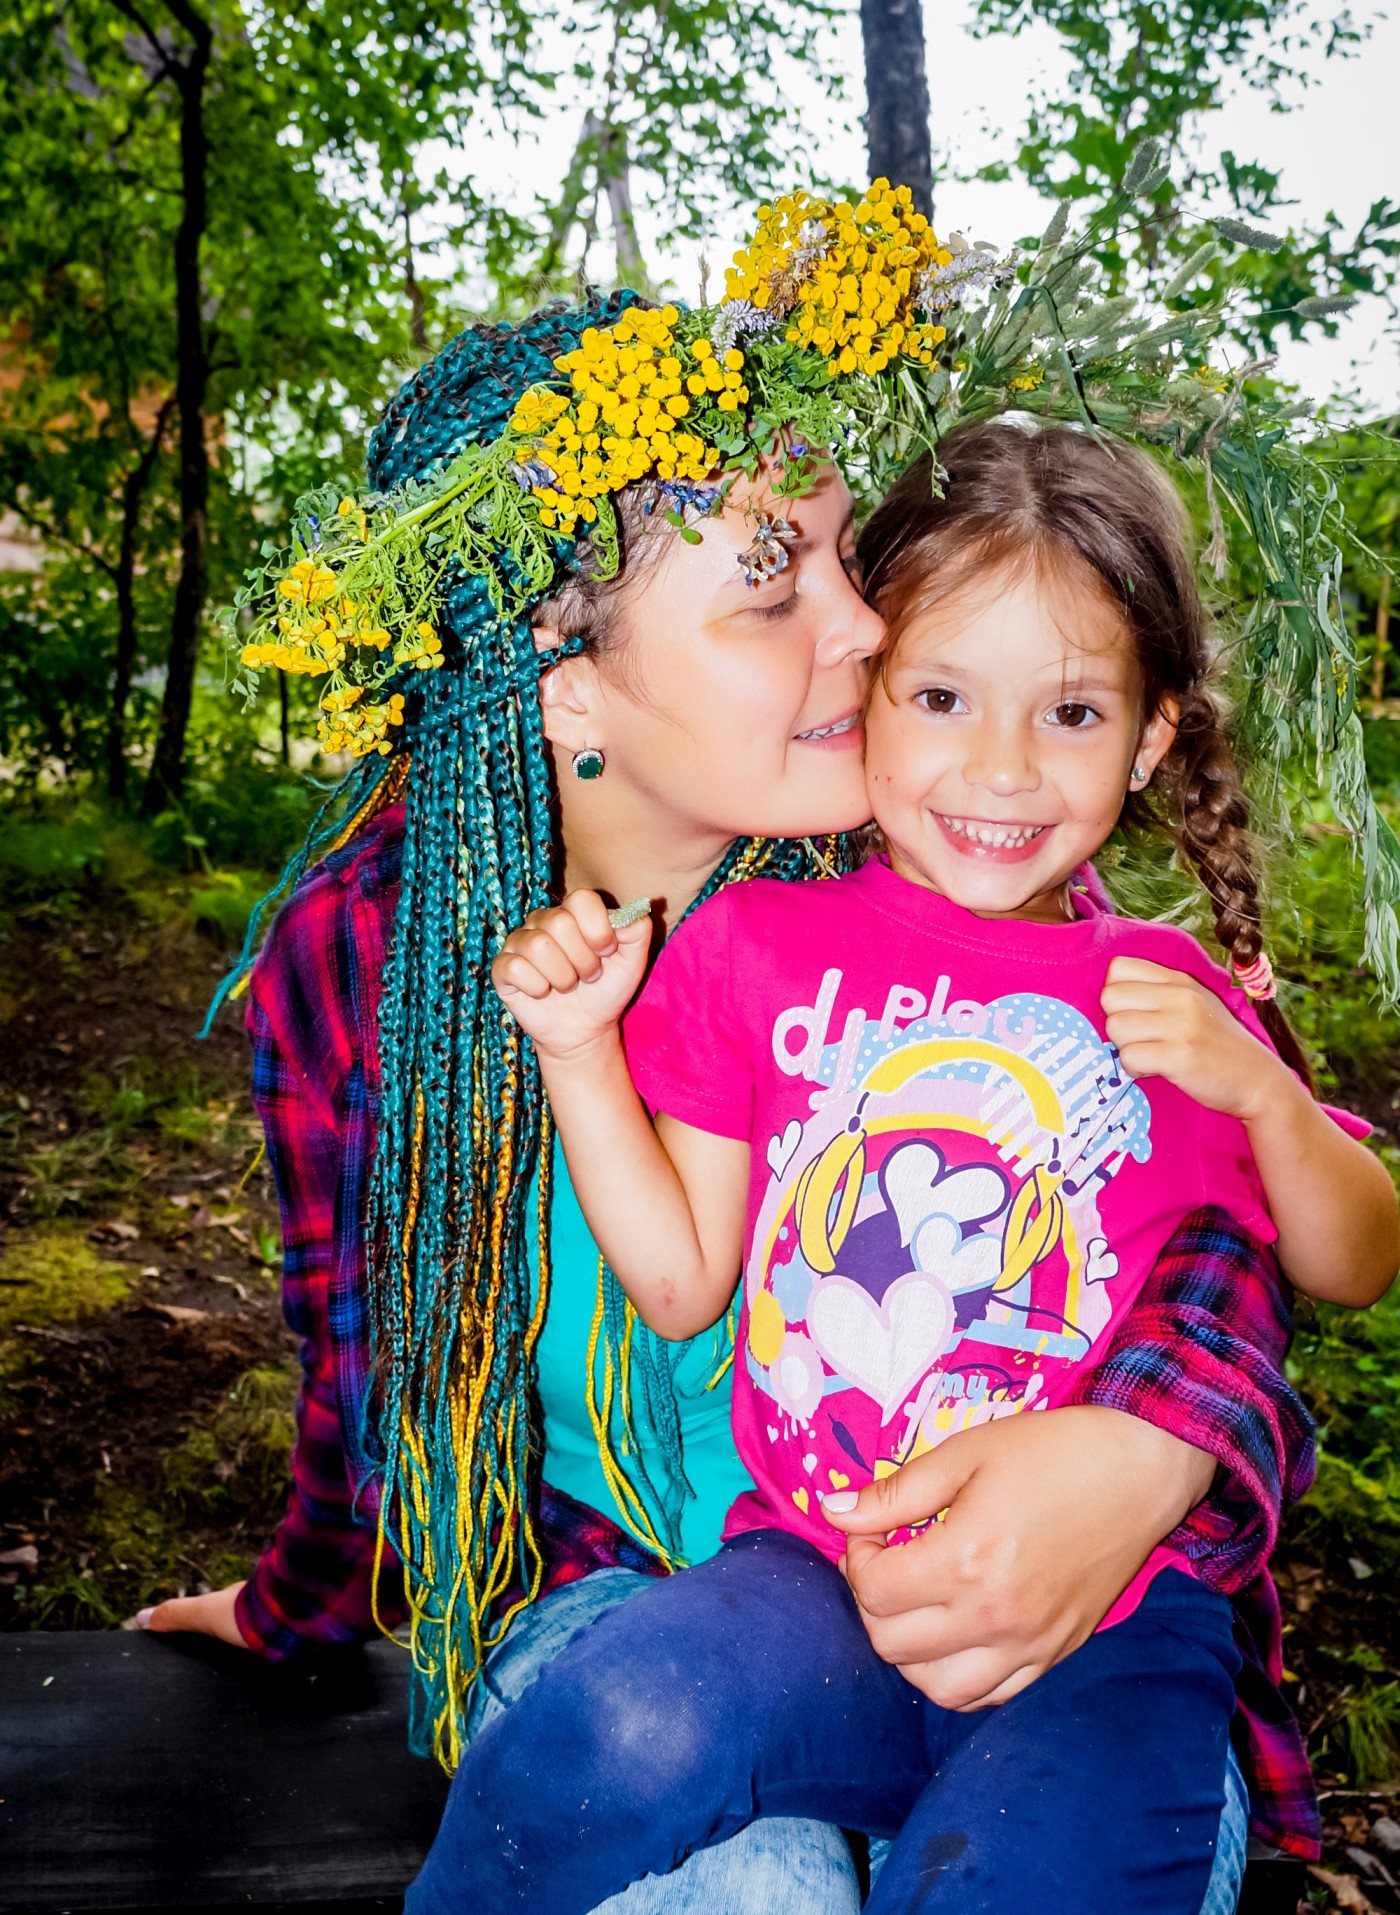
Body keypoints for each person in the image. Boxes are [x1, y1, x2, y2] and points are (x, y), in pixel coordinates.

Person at [137, 189, 1347, 1910]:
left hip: (1051, 1619)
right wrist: (291, 1611)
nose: (866, 626)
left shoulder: (928, 839)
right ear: (565, 682)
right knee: (762, 1886)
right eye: (777, 586)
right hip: (647, 1610)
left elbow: (1210, 1219)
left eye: (846, 559)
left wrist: (1150, 1455)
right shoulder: (372, 954)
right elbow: (367, 1364)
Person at [406, 419, 1398, 1914]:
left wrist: (1267, 1096)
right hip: (817, 1573)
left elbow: (1355, 1258)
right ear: (864, 700)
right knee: (621, 1722)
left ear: (1149, 740)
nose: (1001, 767)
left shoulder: (1166, 994)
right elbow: (677, 1285)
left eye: (1072, 714)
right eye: (941, 698)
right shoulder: (755, 948)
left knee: (1013, 1882)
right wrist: (577, 1051)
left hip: (1107, 1628)